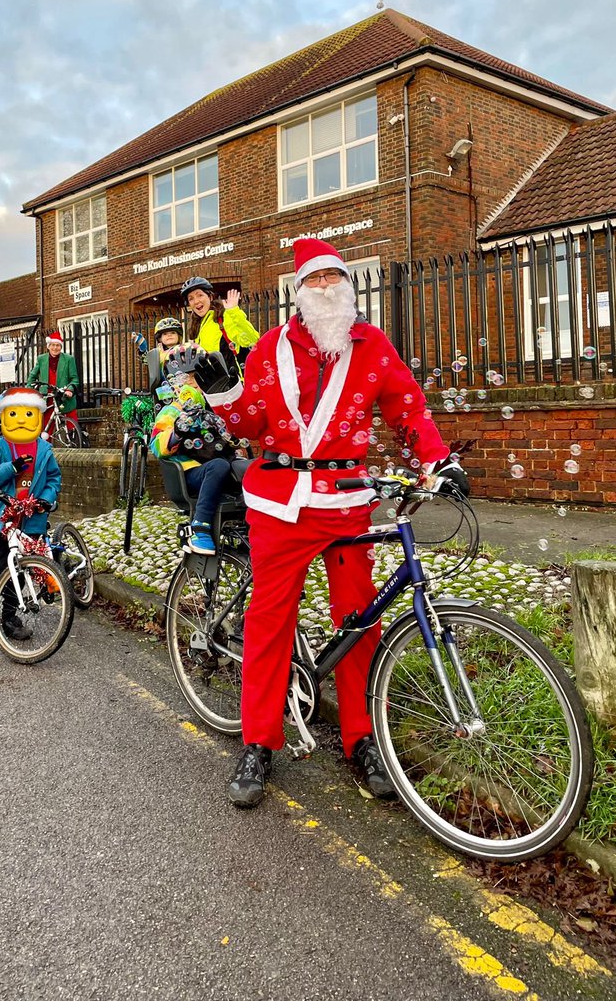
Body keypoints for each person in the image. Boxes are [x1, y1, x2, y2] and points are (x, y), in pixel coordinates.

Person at [194, 238, 469, 809]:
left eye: (333, 277)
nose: (324, 287)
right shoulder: (270, 347)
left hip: (346, 503)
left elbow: (407, 407)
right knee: (269, 621)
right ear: (299, 291)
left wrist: (437, 460)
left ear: (347, 285)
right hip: (281, 503)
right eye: (313, 279)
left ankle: (362, 738)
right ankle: (258, 741)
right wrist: (223, 393)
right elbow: (248, 424)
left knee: (360, 622)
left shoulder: (372, 345)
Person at [0, 386, 62, 650]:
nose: (21, 419)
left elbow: (54, 479)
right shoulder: (0, 447)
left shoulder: (44, 449)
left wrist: (46, 498)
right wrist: (10, 468)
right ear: (4, 416)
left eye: (28, 414)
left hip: (32, 519)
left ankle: (9, 617)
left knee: (22, 571)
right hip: (4, 519)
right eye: (14, 414)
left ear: (38, 416)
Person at [149, 345, 246, 555]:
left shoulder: (215, 409)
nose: (192, 384)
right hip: (190, 473)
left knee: (248, 468)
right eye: (186, 379)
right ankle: (199, 527)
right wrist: (177, 431)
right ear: (174, 385)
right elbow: (156, 445)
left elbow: (235, 438)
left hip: (222, 467)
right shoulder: (171, 411)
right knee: (218, 466)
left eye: (196, 377)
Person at [181, 276, 259, 379]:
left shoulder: (224, 317)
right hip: (213, 384)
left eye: (200, 295)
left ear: (210, 297)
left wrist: (234, 311)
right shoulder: (197, 326)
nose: (196, 301)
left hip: (233, 382)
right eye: (191, 299)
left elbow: (251, 340)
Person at [26, 331, 80, 438]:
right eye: (53, 345)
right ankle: (46, 446)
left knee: (72, 428)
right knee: (46, 428)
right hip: (47, 398)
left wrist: (69, 389)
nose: (55, 348)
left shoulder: (69, 359)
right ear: (48, 346)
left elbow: (74, 379)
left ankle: (73, 442)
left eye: (58, 345)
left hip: (63, 396)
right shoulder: (41, 359)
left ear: (61, 346)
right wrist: (30, 391)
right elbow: (32, 377)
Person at [132, 316, 185, 397]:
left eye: (173, 332)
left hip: (184, 389)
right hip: (164, 391)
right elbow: (146, 361)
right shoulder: (157, 353)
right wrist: (143, 348)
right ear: (160, 338)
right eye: (165, 334)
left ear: (179, 336)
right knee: (165, 404)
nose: (169, 335)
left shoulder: (184, 349)